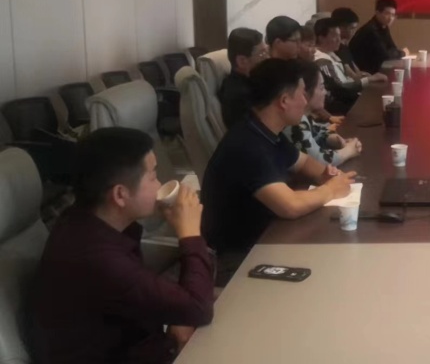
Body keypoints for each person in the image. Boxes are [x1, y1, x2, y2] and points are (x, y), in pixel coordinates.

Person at [34, 128, 214, 364]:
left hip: (137, 339)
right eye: (153, 177)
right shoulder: (98, 259)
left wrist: (179, 315)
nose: (159, 184)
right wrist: (189, 232)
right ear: (120, 195)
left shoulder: (80, 218)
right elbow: (198, 309)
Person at [202, 58, 355, 286]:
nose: (305, 101)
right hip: (238, 259)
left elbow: (303, 162)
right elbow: (290, 205)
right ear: (284, 101)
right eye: (302, 94)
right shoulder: (247, 145)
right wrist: (331, 190)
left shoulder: (266, 131)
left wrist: (326, 174)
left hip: (268, 235)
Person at [286, 61, 362, 166]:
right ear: (304, 93)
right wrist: (348, 151)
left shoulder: (304, 116)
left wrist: (333, 139)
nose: (325, 92)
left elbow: (318, 132)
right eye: (321, 87)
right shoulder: (294, 121)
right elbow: (317, 161)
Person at [218, 27, 267, 129]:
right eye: (261, 54)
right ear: (242, 61)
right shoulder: (239, 96)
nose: (266, 58)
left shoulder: (251, 81)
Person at [349, 0, 409, 73]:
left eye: (393, 15)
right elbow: (385, 55)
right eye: (387, 14)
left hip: (375, 67)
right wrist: (403, 53)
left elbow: (392, 47)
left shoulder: (384, 26)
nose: (390, 18)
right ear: (377, 13)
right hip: (364, 72)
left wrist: (395, 52)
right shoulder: (371, 30)